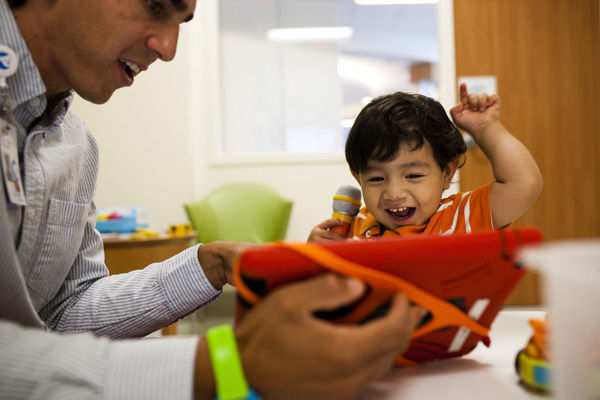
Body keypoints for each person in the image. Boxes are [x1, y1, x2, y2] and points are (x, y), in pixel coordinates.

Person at [0, 0, 426, 399]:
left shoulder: (75, 146)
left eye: (182, 23)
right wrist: (226, 364)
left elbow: (63, 316)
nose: (168, 48)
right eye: (154, 4)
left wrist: (210, 264)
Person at [309, 87, 543, 241]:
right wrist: (315, 257)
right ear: (358, 178)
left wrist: (485, 128)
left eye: (412, 175)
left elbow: (525, 183)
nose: (394, 193)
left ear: (447, 172)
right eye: (376, 178)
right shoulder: (357, 226)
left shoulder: (463, 217)